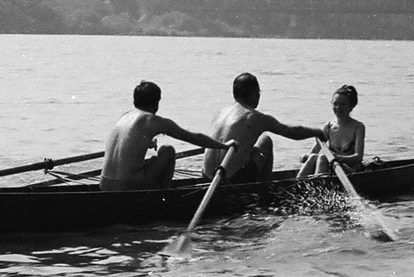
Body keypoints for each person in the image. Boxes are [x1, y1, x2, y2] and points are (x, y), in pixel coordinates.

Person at [101, 80, 230, 191]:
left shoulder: (124, 117)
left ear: (135, 101)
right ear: (156, 103)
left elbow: (127, 141)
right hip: (128, 184)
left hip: (104, 184)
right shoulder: (154, 121)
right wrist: (223, 146)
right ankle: (164, 195)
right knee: (167, 150)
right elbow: (195, 138)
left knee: (150, 161)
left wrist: (148, 142)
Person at [203, 72, 327, 183]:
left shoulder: (220, 113)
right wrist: (317, 132)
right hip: (234, 179)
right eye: (258, 93)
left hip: (208, 177)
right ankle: (263, 189)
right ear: (254, 94)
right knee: (265, 140)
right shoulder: (253, 116)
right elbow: (293, 132)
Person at [298, 84, 366, 177]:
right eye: (335, 104)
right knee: (314, 157)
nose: (338, 107)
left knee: (323, 157)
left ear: (351, 106)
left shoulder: (358, 127)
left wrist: (337, 158)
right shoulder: (328, 127)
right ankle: (298, 183)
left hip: (350, 172)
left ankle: (318, 186)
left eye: (342, 104)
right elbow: (313, 152)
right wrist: (305, 156)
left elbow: (358, 158)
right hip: (331, 169)